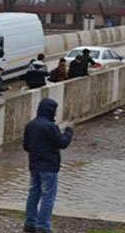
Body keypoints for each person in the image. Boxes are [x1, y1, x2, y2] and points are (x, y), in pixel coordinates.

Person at [22, 98, 74, 233]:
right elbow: (62, 143)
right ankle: (43, 226)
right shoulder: (50, 127)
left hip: (34, 165)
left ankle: (30, 224)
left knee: (33, 193)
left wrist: (37, 152)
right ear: (50, 111)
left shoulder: (30, 125)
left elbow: (26, 146)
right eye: (55, 111)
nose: (56, 114)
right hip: (49, 167)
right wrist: (69, 130)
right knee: (48, 197)